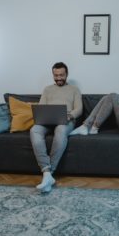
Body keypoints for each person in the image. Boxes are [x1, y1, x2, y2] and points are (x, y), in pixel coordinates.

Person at [30, 62, 82, 193]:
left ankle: (48, 173)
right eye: (56, 75)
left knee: (61, 130)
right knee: (34, 130)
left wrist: (70, 116)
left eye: (61, 75)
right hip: (47, 120)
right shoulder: (47, 89)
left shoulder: (74, 89)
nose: (59, 78)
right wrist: (42, 116)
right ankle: (47, 173)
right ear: (53, 75)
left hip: (66, 120)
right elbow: (41, 107)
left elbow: (79, 109)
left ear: (67, 74)